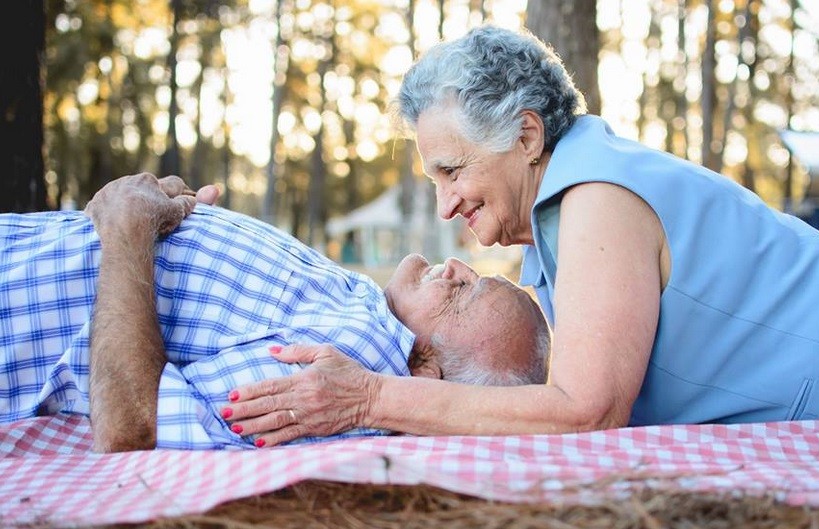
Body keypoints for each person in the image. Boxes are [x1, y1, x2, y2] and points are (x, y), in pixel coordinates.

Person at [219, 25, 819, 445]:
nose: (445, 204)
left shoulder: (596, 195)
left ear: (525, 134)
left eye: (452, 170)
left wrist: (369, 398)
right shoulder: (551, 228)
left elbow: (585, 409)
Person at [0, 173, 549, 452]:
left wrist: (126, 229)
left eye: (463, 294)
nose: (455, 264)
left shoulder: (353, 363)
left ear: (429, 375)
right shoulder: (361, 316)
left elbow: (132, 423)